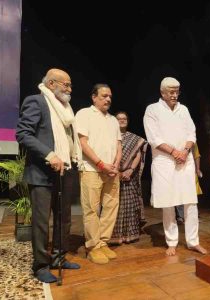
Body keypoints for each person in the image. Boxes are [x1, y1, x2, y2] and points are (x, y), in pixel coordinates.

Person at [16, 68, 81, 283]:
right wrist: (49, 154)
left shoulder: (66, 108)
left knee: (64, 219)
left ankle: (58, 258)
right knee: (42, 221)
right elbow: (23, 134)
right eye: (66, 84)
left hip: (66, 169)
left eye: (70, 85)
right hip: (43, 171)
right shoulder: (36, 101)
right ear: (51, 84)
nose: (70, 89)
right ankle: (41, 265)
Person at [143, 77, 207, 256]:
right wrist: (174, 152)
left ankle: (193, 241)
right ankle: (171, 241)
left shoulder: (183, 109)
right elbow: (154, 138)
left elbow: (191, 133)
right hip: (164, 162)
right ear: (162, 92)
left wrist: (185, 151)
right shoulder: (152, 109)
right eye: (170, 91)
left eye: (177, 91)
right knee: (168, 203)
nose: (174, 94)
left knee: (190, 202)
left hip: (184, 161)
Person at [75, 84, 122, 264]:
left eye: (110, 96)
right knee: (91, 209)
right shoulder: (84, 114)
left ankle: (103, 242)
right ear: (94, 97)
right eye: (104, 96)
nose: (108, 99)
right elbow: (82, 142)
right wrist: (101, 164)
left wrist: (116, 164)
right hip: (91, 169)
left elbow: (118, 144)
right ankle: (92, 246)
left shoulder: (113, 120)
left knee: (110, 207)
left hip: (111, 171)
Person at [110, 111, 148, 244]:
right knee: (114, 206)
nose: (122, 120)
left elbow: (138, 154)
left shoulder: (134, 138)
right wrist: (116, 171)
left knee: (130, 206)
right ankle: (113, 236)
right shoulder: (109, 137)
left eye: (124, 118)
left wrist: (130, 170)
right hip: (112, 175)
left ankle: (130, 235)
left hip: (129, 177)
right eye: (119, 118)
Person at [175, 144, 203, 224]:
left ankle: (192, 216)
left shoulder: (192, 141)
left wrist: (197, 169)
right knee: (179, 193)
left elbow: (196, 156)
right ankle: (180, 216)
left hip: (190, 170)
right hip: (177, 169)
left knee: (192, 194)